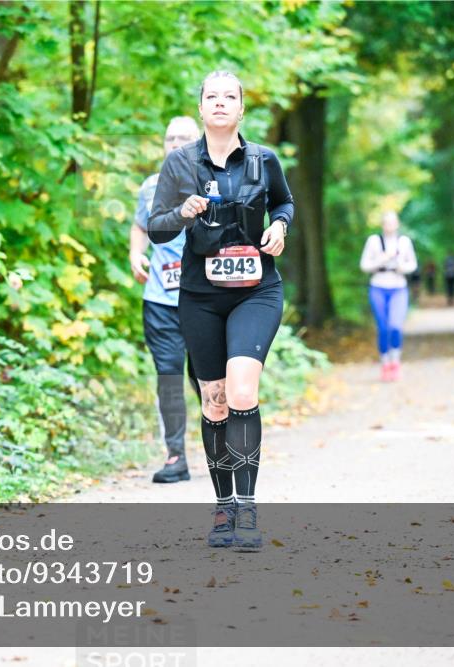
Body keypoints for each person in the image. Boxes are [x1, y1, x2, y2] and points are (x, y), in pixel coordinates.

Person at [148, 71, 294, 552]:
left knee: (241, 390)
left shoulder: (262, 159)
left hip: (257, 291)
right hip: (200, 295)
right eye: (212, 96)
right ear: (201, 107)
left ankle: (248, 508)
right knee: (213, 399)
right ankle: (224, 506)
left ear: (241, 109)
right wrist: (183, 212)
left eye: (229, 97)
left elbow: (285, 203)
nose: (220, 103)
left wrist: (280, 227)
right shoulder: (180, 165)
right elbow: (156, 229)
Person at [130, 116, 202, 484]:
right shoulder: (150, 186)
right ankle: (175, 456)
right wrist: (134, 254)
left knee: (207, 379)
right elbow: (141, 225)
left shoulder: (213, 181)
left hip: (204, 298)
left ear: (198, 142)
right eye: (170, 137)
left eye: (184, 138)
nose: (176, 143)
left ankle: (224, 448)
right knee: (169, 376)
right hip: (160, 299)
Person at [359, 211, 418, 382]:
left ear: (397, 224)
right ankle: (385, 363)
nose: (389, 226)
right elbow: (364, 265)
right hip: (378, 286)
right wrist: (381, 260)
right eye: (386, 222)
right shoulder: (374, 241)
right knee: (383, 327)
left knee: (395, 326)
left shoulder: (404, 242)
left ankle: (395, 361)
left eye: (392, 222)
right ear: (382, 225)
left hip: (398, 287)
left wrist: (401, 266)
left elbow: (412, 264)